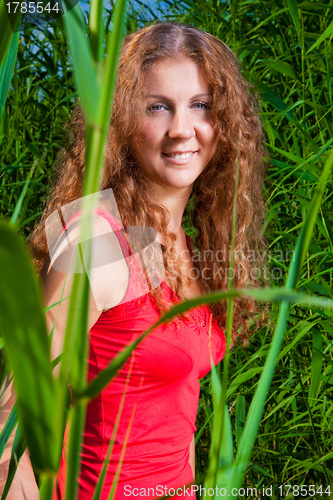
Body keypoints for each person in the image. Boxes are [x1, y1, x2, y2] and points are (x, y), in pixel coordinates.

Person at [0, 22, 266, 500]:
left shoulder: (186, 240)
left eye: (200, 105)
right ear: (124, 118)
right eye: (158, 106)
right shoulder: (98, 238)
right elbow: (12, 432)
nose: (181, 128)